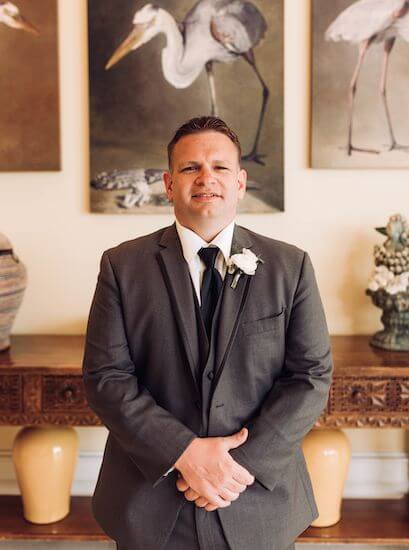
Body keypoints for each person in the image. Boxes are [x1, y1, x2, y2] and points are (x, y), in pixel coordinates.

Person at [82, 116, 333, 550]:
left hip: (255, 498)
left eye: (219, 167)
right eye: (190, 167)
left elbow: (310, 376)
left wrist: (237, 468)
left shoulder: (290, 267)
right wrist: (184, 452)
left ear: (240, 182)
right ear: (168, 182)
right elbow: (106, 377)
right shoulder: (122, 267)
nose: (205, 178)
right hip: (153, 500)